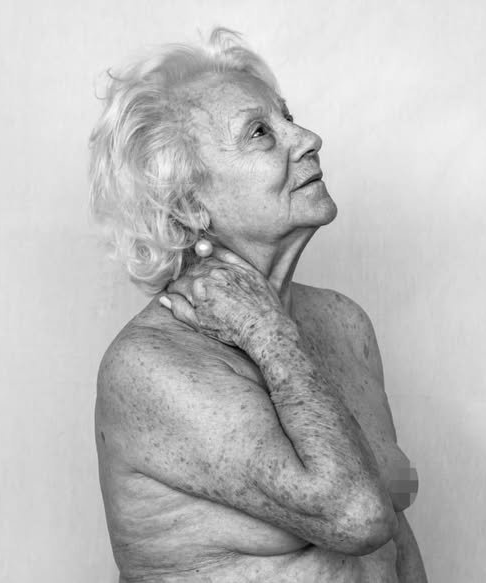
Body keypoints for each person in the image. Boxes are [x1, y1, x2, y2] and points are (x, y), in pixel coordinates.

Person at [89, 28, 428, 583]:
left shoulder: (344, 323)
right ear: (188, 203)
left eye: (288, 117)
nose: (309, 138)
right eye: (260, 133)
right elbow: (356, 516)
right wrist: (269, 334)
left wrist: (270, 327)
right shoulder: (147, 367)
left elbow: (393, 533)